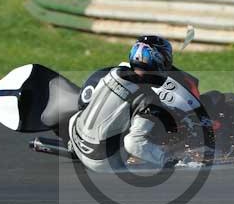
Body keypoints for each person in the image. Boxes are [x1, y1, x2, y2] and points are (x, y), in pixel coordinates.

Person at [68, 36, 179, 172]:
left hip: (75, 138)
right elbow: (133, 143)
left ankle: (74, 145)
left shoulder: (114, 73)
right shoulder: (147, 98)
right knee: (143, 129)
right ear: (160, 60)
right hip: (102, 162)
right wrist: (166, 157)